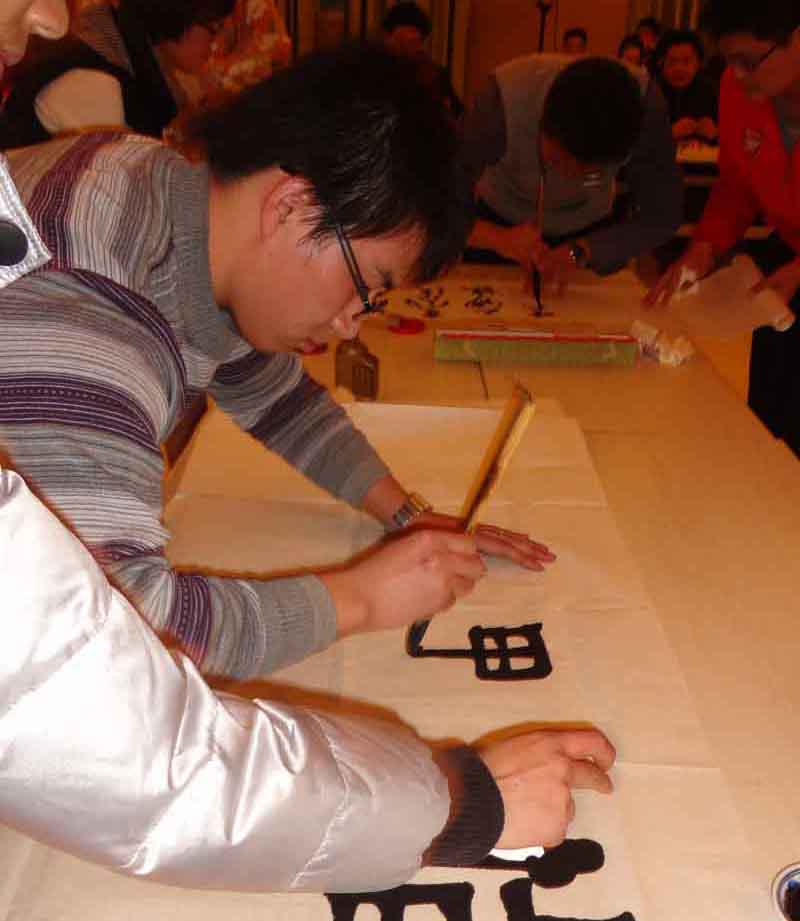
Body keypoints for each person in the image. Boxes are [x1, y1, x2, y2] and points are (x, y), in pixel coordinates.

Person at [0, 26, 616, 888]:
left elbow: (273, 394)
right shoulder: (91, 308)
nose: (349, 325)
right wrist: (359, 597)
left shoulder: (166, 197)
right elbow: (126, 641)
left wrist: (406, 516)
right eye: (365, 288)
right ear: (291, 205)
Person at [646, 0, 800, 459]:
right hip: (787, 254)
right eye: (729, 61)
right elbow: (737, 184)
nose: (737, 75)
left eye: (749, 61)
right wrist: (705, 247)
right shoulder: (738, 90)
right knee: (771, 413)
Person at [462, 54, 683, 290]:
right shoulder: (499, 105)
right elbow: (438, 203)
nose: (569, 177)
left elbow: (661, 217)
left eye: (589, 172)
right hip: (500, 218)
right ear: (541, 122)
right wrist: (498, 238)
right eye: (557, 161)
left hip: (591, 227)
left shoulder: (646, 109)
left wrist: (581, 252)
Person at [0, 0, 235, 148]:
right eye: (214, 29)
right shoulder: (90, 81)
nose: (220, 43)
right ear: (178, 14)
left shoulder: (127, 52)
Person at [381, 0, 463, 117]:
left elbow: (457, 114)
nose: (416, 46)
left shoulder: (433, 74)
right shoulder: (373, 71)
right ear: (388, 37)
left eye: (417, 41)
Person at [654, 28, 718, 143]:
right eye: (672, 61)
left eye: (686, 61)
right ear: (661, 63)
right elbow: (639, 141)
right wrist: (669, 133)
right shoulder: (652, 92)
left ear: (698, 63)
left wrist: (715, 133)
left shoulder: (710, 91)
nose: (679, 69)